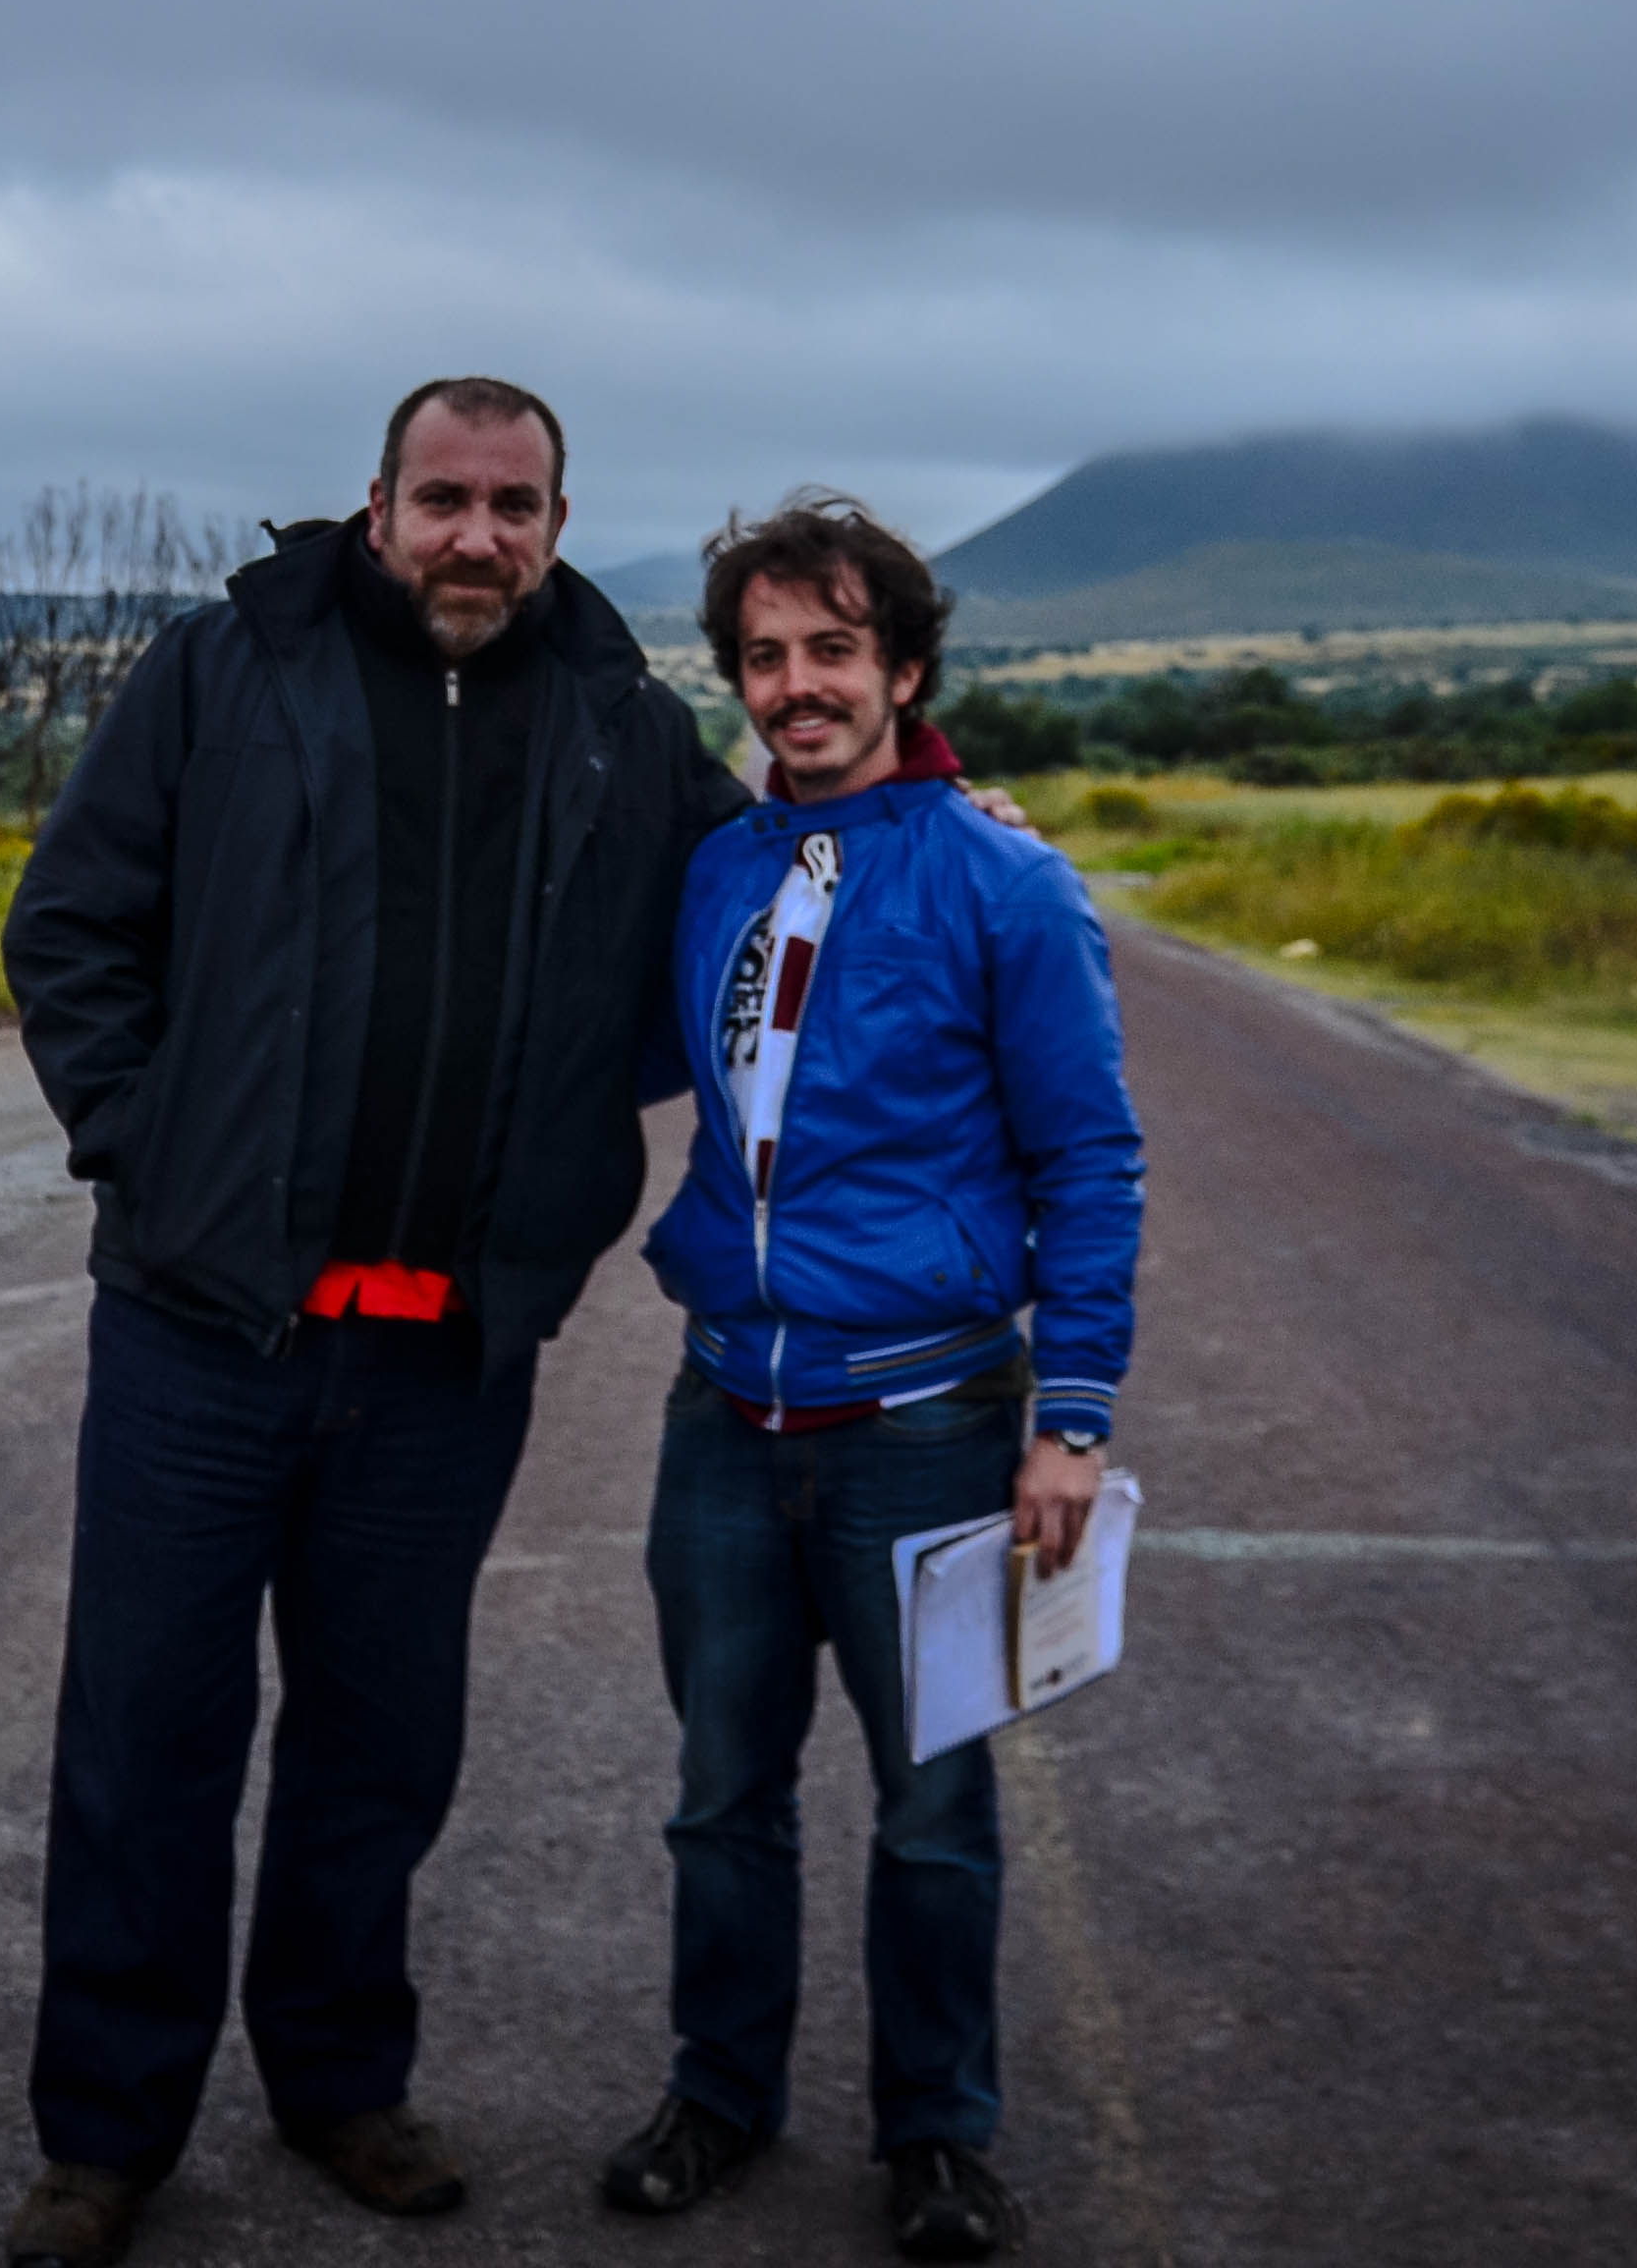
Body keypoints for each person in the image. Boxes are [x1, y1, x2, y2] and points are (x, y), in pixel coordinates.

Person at [0, 377, 754, 2268]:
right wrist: (148, 1147)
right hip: (201, 1329)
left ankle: (337, 2085)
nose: (477, 536)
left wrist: (930, 800)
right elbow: (74, 923)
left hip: (441, 1362)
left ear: (560, 526)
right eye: (444, 499)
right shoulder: (222, 672)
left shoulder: (620, 728)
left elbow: (754, 914)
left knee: (377, 1742)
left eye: (515, 505)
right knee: (147, 1732)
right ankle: (107, 2139)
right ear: (376, 506)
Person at [600, 497, 1146, 2264]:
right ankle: (719, 2098)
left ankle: (938, 2134)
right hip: (725, 1421)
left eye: (834, 649)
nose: (796, 686)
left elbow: (1092, 1161)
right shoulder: (718, 869)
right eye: (764, 657)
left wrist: (1070, 1418)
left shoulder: (1006, 878)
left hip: (927, 1427)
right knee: (718, 1798)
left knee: (934, 1815)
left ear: (907, 669)